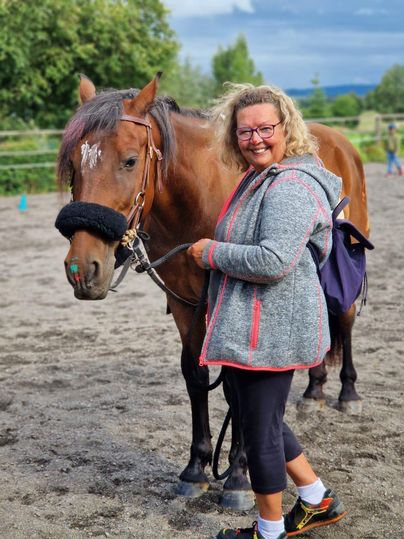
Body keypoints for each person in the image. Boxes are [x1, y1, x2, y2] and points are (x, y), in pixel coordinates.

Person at [187, 83, 347, 539]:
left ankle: (270, 530)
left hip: (271, 331)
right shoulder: (261, 178)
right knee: (265, 421)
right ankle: (317, 499)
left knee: (259, 437)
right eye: (244, 132)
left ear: (286, 128)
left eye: (264, 129)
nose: (255, 139)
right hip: (252, 327)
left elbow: (273, 261)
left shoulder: (291, 186)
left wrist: (210, 254)